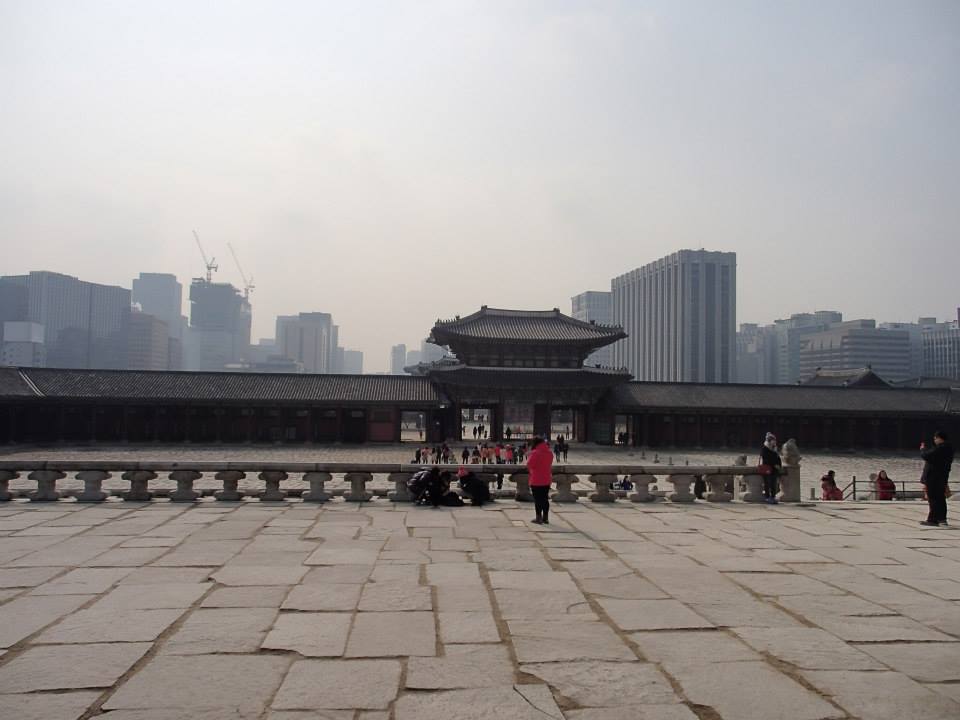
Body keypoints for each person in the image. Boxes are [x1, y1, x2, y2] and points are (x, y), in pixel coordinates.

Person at [920, 430, 954, 526]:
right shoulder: (947, 448)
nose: (934, 440)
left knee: (934, 498)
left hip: (934, 477)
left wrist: (922, 449)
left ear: (940, 438)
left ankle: (935, 519)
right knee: (939, 498)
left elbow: (926, 455)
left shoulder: (942, 448)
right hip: (940, 477)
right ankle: (940, 519)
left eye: (935, 438)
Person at [527, 435, 554, 524]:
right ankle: (545, 517)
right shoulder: (549, 453)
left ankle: (538, 517)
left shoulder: (535, 453)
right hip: (546, 479)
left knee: (538, 499)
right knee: (545, 499)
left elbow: (530, 464)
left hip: (536, 479)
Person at [759, 432, 782, 504]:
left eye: (775, 440)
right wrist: (774, 464)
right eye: (773, 440)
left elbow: (778, 458)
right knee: (767, 483)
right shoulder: (764, 448)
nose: (774, 441)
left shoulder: (775, 449)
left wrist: (779, 465)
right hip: (767, 469)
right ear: (769, 441)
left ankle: (773, 497)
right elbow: (766, 459)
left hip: (774, 469)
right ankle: (767, 497)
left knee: (773, 484)